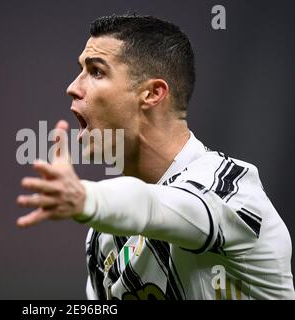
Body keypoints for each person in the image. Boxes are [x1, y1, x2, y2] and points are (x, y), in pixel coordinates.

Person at [16, 14, 295, 300]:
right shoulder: (104, 240)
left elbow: (152, 205)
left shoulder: (232, 190)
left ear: (152, 93)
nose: (72, 87)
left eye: (96, 71)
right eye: (81, 70)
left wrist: (86, 198)